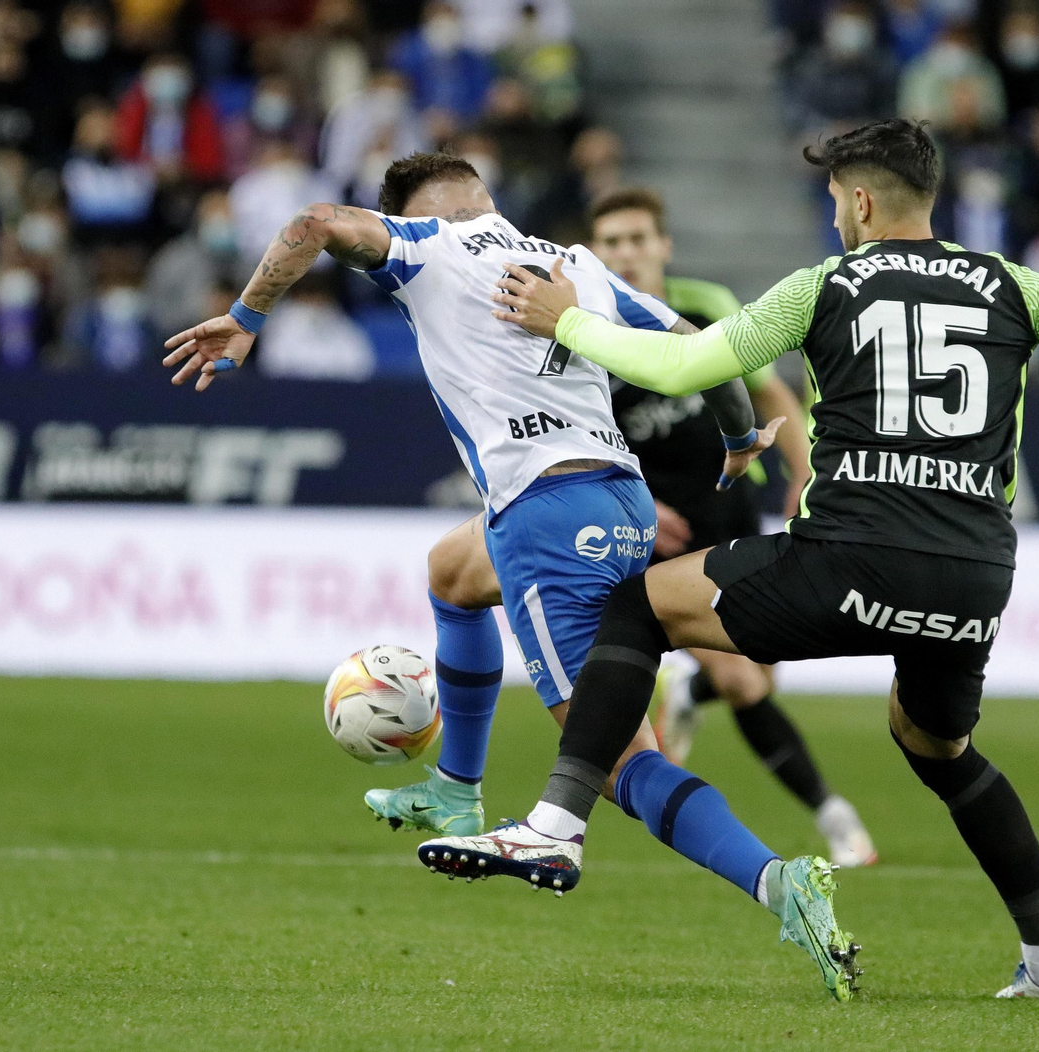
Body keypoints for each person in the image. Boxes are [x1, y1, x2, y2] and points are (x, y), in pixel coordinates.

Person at [421, 119, 1039, 1003]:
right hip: (972, 580)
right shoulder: (1012, 287)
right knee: (939, 747)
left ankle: (554, 825)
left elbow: (684, 366)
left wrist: (572, 319)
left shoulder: (826, 285)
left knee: (638, 606)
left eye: (833, 200)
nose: (834, 217)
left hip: (850, 558)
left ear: (859, 200)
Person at [159, 153, 816, 929]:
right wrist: (740, 438)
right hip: (621, 498)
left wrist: (247, 318)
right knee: (451, 573)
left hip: (547, 519)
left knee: (617, 761)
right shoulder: (574, 264)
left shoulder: (422, 245)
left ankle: (777, 883)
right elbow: (704, 349)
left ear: (415, 208)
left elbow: (312, 224)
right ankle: (457, 789)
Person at [586, 186, 877, 867]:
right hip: (662, 542)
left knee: (761, 674)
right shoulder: (590, 328)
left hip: (736, 519)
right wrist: (627, 504)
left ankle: (688, 688)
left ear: (664, 246)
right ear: (595, 254)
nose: (626, 253)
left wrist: (807, 472)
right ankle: (836, 819)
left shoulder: (706, 306)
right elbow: (576, 440)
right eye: (611, 242)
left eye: (637, 239)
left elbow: (770, 392)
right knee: (746, 683)